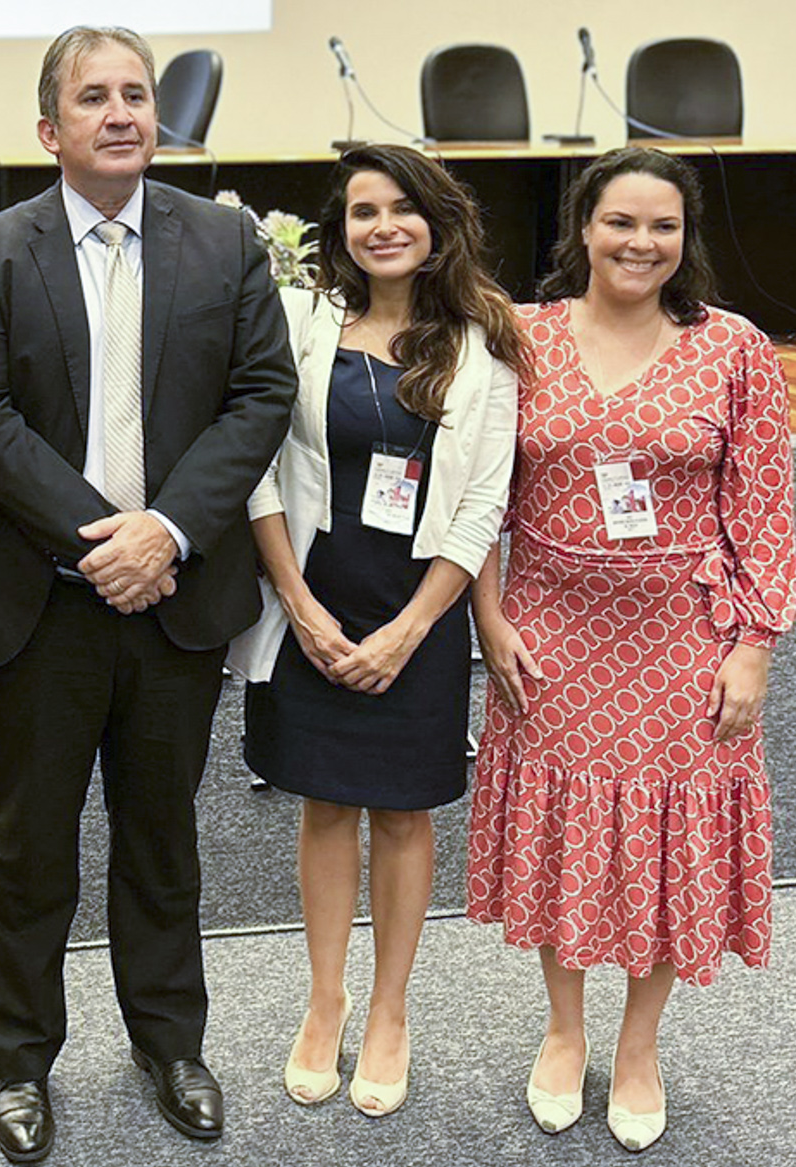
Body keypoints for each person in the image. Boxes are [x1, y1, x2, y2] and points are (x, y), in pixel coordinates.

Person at [0, 25, 296, 1164]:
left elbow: (259, 395)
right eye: (93, 97)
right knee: (28, 849)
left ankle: (169, 1045)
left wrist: (169, 532)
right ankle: (19, 1064)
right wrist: (109, 540)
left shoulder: (225, 241)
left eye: (135, 94)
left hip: (177, 599)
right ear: (51, 129)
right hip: (45, 604)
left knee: (161, 841)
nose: (121, 113)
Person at [466, 146, 796, 1152]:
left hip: (681, 641)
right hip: (548, 633)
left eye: (662, 226)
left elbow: (763, 511)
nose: (639, 243)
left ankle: (640, 1042)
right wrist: (486, 617)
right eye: (619, 222)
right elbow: (477, 495)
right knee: (564, 830)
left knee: (669, 841)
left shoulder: (731, 349)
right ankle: (563, 1032)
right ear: (581, 228)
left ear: (683, 238)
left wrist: (751, 648)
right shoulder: (518, 339)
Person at [228, 144, 523, 1117]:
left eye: (402, 207)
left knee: (401, 813)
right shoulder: (303, 322)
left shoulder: (482, 341)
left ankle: (389, 1010)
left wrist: (409, 630)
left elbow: (482, 502)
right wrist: (300, 610)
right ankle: (325, 1002)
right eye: (362, 210)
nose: (382, 226)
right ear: (340, 230)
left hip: (419, 610)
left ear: (437, 222)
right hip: (313, 600)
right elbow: (259, 470)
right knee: (322, 805)